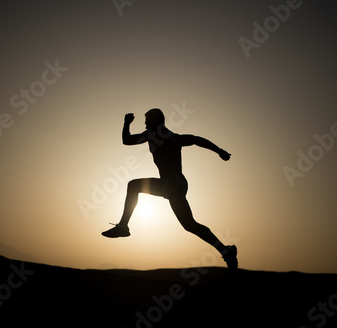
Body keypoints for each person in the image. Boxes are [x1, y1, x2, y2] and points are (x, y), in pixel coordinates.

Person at [102, 109, 237, 272]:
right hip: (177, 183)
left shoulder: (153, 134)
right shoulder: (173, 136)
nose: (145, 124)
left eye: (147, 120)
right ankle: (226, 251)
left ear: (155, 121)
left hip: (171, 183)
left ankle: (123, 227)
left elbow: (127, 140)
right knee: (190, 224)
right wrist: (219, 151)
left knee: (134, 186)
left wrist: (126, 124)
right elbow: (196, 140)